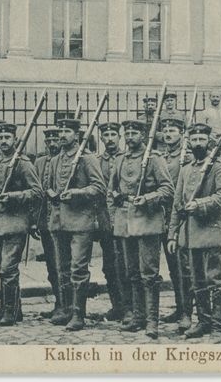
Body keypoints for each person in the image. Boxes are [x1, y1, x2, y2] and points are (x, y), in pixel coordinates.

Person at [106, 120, 174, 339]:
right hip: (125, 222)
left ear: (143, 136)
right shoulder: (119, 160)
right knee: (132, 272)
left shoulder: (154, 159)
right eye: (128, 133)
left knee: (149, 274)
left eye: (135, 133)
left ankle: (152, 321)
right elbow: (111, 190)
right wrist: (115, 210)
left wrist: (148, 198)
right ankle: (138, 317)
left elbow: (167, 189)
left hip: (147, 221)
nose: (130, 136)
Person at [168, 123, 221, 343]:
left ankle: (218, 328)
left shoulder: (219, 167)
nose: (198, 143)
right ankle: (204, 321)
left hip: (212, 233)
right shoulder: (186, 169)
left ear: (209, 142)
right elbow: (178, 204)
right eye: (194, 139)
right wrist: (172, 234)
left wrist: (201, 204)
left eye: (202, 140)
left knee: (217, 280)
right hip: (190, 234)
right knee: (197, 282)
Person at [45, 118, 106, 330]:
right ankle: (66, 309)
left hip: (80, 222)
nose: (62, 135)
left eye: (67, 131)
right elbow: (49, 186)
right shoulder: (54, 160)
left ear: (77, 134)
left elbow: (99, 187)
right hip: (59, 222)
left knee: (78, 268)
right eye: (60, 130)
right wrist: (51, 193)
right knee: (62, 268)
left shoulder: (87, 158)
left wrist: (77, 193)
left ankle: (79, 315)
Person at [0, 122, 44, 326]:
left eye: (7, 137)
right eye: (0, 138)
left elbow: (37, 192)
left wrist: (15, 196)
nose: (3, 141)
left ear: (15, 140)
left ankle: (10, 311)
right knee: (4, 269)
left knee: (8, 269)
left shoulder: (23, 163)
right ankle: (11, 309)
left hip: (15, 223)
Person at [158, 118, 192, 329]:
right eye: (166, 130)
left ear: (181, 133)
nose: (168, 134)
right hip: (162, 216)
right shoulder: (161, 157)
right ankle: (179, 308)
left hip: (180, 216)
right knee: (172, 266)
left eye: (173, 130)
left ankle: (187, 313)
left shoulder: (187, 158)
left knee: (183, 267)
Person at [97, 122, 132, 324]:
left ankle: (130, 307)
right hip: (105, 220)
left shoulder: (125, 158)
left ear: (119, 137)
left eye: (113, 134)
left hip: (125, 218)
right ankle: (116, 306)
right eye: (106, 135)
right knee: (109, 266)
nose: (109, 138)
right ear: (101, 138)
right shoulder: (97, 161)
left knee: (125, 264)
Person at [34, 127, 62, 319]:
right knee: (52, 266)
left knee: (63, 265)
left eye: (55, 140)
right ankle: (58, 303)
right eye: (49, 141)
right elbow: (36, 194)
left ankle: (66, 305)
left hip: (62, 221)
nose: (52, 144)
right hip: (45, 221)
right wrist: (34, 221)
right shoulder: (39, 162)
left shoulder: (66, 161)